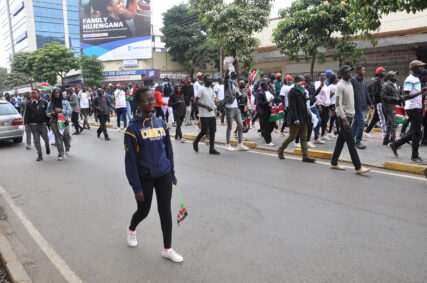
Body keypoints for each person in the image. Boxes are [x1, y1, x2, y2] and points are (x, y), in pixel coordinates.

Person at [124, 86, 183, 263]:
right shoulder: (132, 130)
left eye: (152, 99)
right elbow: (130, 162)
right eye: (147, 100)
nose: (151, 102)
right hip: (145, 178)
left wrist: (172, 173)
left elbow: (169, 152)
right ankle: (132, 228)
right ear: (138, 104)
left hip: (163, 174)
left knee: (165, 211)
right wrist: (136, 187)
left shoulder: (161, 124)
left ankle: (168, 249)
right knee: (144, 210)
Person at [330, 65, 370, 174]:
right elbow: (338, 104)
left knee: (340, 142)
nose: (350, 74)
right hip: (344, 118)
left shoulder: (350, 84)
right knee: (351, 143)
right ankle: (358, 167)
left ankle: (334, 162)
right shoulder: (340, 86)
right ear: (342, 74)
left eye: (350, 72)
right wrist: (344, 119)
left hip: (350, 116)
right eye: (347, 72)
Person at [389, 60, 427, 164]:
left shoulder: (416, 79)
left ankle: (395, 144)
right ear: (414, 68)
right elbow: (406, 96)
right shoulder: (410, 79)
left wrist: (422, 93)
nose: (422, 68)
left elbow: (416, 94)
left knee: (415, 131)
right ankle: (414, 157)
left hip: (417, 107)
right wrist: (421, 92)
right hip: (413, 108)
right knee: (417, 133)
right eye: (420, 67)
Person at [277, 75, 316, 163]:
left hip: (303, 117)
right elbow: (293, 107)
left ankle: (305, 156)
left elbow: (301, 103)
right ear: (297, 81)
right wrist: (296, 120)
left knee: (303, 137)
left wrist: (307, 98)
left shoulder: (302, 91)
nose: (304, 82)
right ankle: (280, 149)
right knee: (292, 136)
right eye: (302, 80)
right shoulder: (292, 91)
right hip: (296, 118)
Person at [193, 75, 220, 155]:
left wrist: (216, 102)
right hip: (204, 114)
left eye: (210, 79)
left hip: (212, 113)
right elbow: (196, 101)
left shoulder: (211, 89)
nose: (210, 80)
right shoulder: (201, 89)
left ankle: (212, 149)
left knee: (213, 130)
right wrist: (206, 106)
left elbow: (213, 99)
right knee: (204, 130)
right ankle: (195, 142)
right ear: (204, 80)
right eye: (208, 79)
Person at [223, 71, 249, 151]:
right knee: (230, 127)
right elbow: (226, 80)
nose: (234, 77)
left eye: (235, 76)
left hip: (236, 107)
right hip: (229, 108)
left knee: (240, 125)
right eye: (233, 76)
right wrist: (227, 75)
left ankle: (240, 144)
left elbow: (238, 94)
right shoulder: (228, 83)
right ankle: (227, 144)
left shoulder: (235, 84)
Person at [351, 65, 373, 149]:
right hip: (356, 105)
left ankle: (351, 139)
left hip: (362, 104)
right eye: (362, 70)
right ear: (358, 71)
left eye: (364, 70)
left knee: (356, 122)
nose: (364, 71)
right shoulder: (352, 80)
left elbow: (366, 93)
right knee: (362, 122)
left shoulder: (363, 81)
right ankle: (358, 141)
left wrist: (370, 103)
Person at [24, 89, 50, 161]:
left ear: (39, 94)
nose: (33, 95)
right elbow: (26, 115)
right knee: (37, 140)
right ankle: (40, 155)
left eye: (35, 93)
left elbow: (47, 114)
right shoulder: (29, 103)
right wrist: (26, 125)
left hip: (43, 124)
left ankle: (47, 146)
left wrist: (49, 125)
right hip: (33, 125)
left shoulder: (44, 102)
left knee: (46, 138)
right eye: (32, 93)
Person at [46, 88, 72, 161]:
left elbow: (70, 112)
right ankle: (60, 153)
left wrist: (62, 110)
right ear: (53, 94)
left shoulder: (65, 102)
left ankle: (67, 147)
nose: (56, 94)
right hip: (54, 121)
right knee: (58, 137)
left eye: (58, 92)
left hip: (64, 121)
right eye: (55, 93)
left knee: (66, 136)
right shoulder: (50, 103)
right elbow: (47, 113)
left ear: (60, 93)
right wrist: (51, 113)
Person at [380, 71, 402, 145]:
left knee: (389, 123)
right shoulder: (386, 85)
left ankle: (386, 140)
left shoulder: (396, 84)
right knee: (395, 123)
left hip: (395, 106)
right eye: (393, 76)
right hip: (388, 107)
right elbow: (382, 96)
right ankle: (393, 140)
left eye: (395, 75)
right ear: (389, 77)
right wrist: (394, 99)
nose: (395, 77)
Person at [365, 67, 387, 136]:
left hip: (381, 102)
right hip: (378, 103)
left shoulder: (380, 81)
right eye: (382, 71)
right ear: (378, 72)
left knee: (375, 118)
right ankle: (385, 134)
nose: (384, 72)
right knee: (383, 118)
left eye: (384, 71)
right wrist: (384, 94)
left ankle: (366, 132)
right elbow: (376, 93)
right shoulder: (376, 81)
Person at [257, 80, 275, 146]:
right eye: (266, 85)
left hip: (271, 111)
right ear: (262, 86)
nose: (267, 86)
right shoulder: (260, 93)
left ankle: (264, 133)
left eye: (267, 85)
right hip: (264, 112)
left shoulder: (269, 92)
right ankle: (268, 141)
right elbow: (261, 103)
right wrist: (269, 101)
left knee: (273, 124)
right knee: (267, 126)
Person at [316, 73, 331, 141]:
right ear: (320, 77)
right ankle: (318, 134)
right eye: (322, 75)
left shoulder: (325, 84)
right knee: (321, 120)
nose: (324, 76)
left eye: (324, 75)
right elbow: (317, 95)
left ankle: (322, 134)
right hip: (321, 105)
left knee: (325, 119)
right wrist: (319, 106)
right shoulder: (317, 84)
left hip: (326, 105)